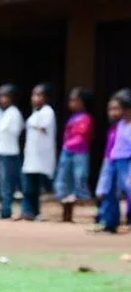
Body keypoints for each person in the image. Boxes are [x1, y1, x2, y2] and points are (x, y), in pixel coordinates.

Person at [54, 87, 94, 222]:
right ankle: (66, 213)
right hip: (67, 151)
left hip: (80, 152)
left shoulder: (86, 118)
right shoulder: (72, 117)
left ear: (82, 102)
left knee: (80, 177)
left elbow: (82, 135)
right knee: (63, 179)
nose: (70, 103)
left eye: (74, 100)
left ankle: (85, 210)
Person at [20, 83, 57, 220]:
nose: (35, 98)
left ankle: (30, 212)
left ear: (46, 97)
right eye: (34, 95)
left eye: (39, 95)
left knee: (31, 187)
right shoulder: (36, 112)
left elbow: (42, 127)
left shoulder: (47, 111)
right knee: (31, 187)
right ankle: (32, 212)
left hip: (40, 157)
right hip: (32, 156)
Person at [98, 89, 131, 233]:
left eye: (120, 108)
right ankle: (110, 223)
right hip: (115, 159)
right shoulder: (121, 124)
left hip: (127, 160)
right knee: (109, 191)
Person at [0, 84, 25, 219]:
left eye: (5, 96)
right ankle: (5, 208)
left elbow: (16, 131)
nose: (2, 99)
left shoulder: (14, 112)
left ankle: (6, 210)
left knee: (9, 182)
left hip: (10, 151)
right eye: (0, 96)